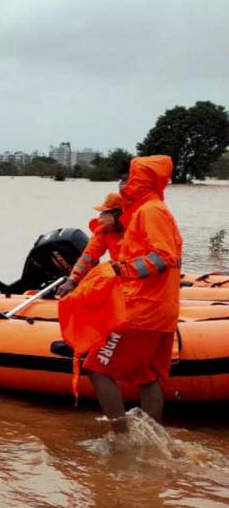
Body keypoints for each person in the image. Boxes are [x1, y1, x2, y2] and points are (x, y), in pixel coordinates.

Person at [81, 155, 182, 432]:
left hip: (142, 309)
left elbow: (164, 257)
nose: (125, 181)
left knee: (96, 367)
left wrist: (117, 270)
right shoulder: (153, 210)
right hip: (162, 309)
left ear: (141, 179)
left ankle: (122, 436)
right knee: (148, 377)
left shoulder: (149, 212)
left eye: (130, 176)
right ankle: (153, 440)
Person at [57, 192, 124, 297]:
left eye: (106, 212)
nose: (102, 216)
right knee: (91, 282)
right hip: (120, 275)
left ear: (119, 213)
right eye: (103, 212)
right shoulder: (105, 231)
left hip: (136, 278)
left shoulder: (136, 227)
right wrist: (72, 279)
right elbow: (88, 256)